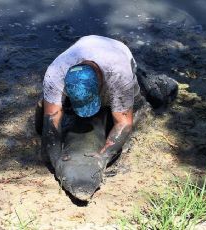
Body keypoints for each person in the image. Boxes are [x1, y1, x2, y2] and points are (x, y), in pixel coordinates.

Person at [37, 35, 143, 200]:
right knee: (45, 109)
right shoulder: (55, 74)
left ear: (100, 84)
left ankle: (142, 75)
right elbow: (51, 118)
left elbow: (124, 122)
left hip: (118, 56)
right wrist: (56, 157)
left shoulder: (120, 77)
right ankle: (71, 102)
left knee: (136, 105)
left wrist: (104, 156)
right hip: (83, 49)